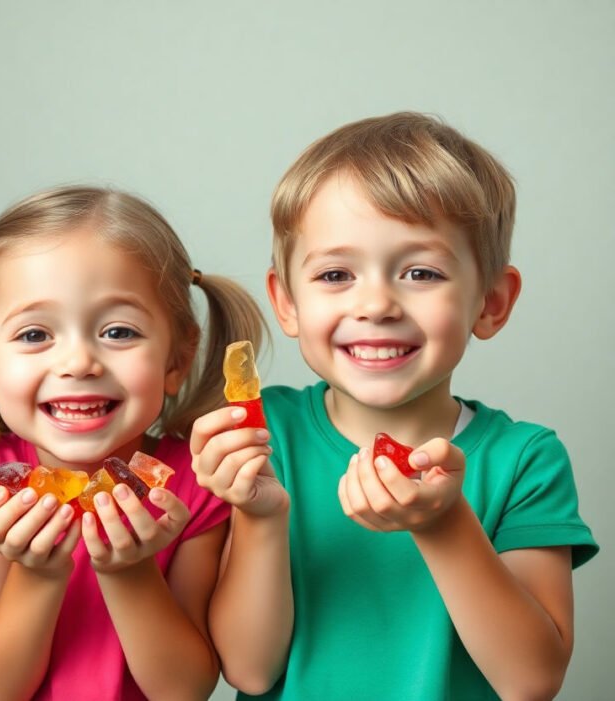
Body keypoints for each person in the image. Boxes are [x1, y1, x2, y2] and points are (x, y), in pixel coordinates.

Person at [191, 111, 599, 700]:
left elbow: (531, 680)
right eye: (336, 274)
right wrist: (260, 516)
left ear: (490, 302)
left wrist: (443, 525)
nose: (377, 303)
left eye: (420, 272)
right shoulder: (261, 433)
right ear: (287, 303)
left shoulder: (524, 459)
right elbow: (249, 670)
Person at [0, 185, 265, 700]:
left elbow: (184, 689)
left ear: (176, 360)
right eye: (35, 335)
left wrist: (129, 570)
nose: (79, 362)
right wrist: (37, 574)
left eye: (118, 332)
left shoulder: (194, 485)